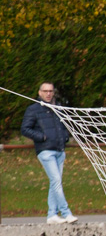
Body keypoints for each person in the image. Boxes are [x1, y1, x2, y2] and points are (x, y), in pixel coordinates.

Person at [19, 82, 77, 224]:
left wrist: (65, 137)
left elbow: (64, 126)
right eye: (45, 91)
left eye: (50, 91)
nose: (48, 93)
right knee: (56, 181)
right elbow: (25, 129)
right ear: (40, 93)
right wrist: (42, 137)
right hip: (45, 151)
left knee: (55, 182)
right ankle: (66, 212)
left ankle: (52, 215)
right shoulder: (33, 109)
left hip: (59, 150)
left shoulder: (57, 108)